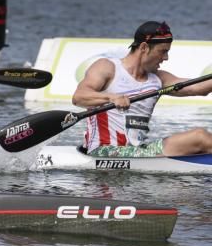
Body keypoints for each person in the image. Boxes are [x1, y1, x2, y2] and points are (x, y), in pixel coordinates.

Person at [72, 20, 212, 157]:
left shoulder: (158, 79)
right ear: (144, 47)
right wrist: (111, 97)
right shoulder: (107, 67)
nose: (166, 58)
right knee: (199, 137)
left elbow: (199, 88)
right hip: (104, 151)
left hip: (139, 151)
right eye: (162, 51)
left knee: (201, 143)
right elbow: (79, 97)